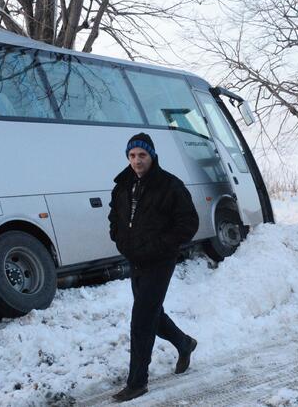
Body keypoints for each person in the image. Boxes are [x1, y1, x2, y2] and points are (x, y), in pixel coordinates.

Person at [108, 132, 199, 403]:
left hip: (160, 260)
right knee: (151, 314)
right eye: (132, 155)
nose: (137, 160)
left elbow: (188, 224)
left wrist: (160, 246)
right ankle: (184, 343)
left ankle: (137, 383)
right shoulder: (122, 185)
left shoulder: (170, 185)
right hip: (135, 259)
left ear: (152, 156)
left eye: (142, 155)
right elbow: (115, 218)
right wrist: (120, 240)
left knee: (141, 321)